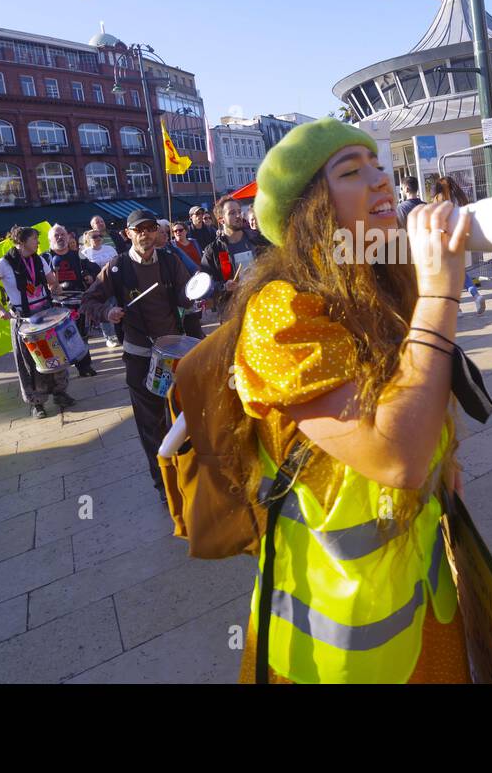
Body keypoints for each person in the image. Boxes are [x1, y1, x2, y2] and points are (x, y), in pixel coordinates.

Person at [195, 117, 473, 683]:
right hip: (336, 638)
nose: (381, 181)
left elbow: (417, 416)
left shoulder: (381, 284)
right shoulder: (282, 311)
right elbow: (396, 457)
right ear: (309, 210)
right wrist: (442, 292)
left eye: (378, 166)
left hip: (421, 594)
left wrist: (447, 458)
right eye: (351, 171)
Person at [80, 209, 195, 491]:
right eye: (138, 229)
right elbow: (89, 301)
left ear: (156, 231)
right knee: (150, 424)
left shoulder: (169, 261)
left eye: (150, 228)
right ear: (127, 234)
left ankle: (188, 474)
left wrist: (193, 294)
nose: (145, 234)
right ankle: (163, 483)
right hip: (140, 355)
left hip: (173, 354)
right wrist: (108, 312)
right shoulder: (117, 267)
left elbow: (183, 292)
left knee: (183, 419)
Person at [0, 226, 77, 419]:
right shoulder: (4, 264)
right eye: (34, 239)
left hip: (46, 313)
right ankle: (37, 403)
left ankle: (59, 392)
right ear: (22, 241)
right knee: (30, 361)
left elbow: (52, 282)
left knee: (58, 353)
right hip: (23, 318)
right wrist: (0, 310)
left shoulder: (39, 259)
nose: (38, 242)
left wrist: (56, 287)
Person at [43, 224, 98, 377]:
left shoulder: (77, 255)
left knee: (81, 336)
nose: (60, 237)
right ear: (50, 240)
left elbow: (92, 268)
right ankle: (62, 373)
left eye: (62, 234)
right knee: (60, 339)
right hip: (57, 305)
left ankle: (85, 366)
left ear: (68, 237)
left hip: (78, 301)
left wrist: (89, 276)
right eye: (56, 235)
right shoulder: (45, 258)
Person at [429, 176, 484, 314]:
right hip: (462, 238)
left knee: (448, 274)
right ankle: (475, 295)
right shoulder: (461, 198)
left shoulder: (440, 198)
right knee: (459, 270)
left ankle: (457, 307)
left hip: (445, 239)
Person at [199, 197, 260, 315]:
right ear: (221, 220)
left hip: (260, 304)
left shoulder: (257, 240)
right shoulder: (213, 250)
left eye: (239, 211)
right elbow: (206, 283)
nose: (238, 215)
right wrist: (223, 286)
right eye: (232, 213)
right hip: (232, 311)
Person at [80, 229, 121, 347]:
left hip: (114, 282)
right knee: (104, 308)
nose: (98, 238)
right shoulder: (85, 253)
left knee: (116, 306)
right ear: (88, 239)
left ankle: (118, 332)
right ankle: (109, 336)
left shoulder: (110, 249)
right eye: (94, 237)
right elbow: (83, 269)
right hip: (98, 285)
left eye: (99, 236)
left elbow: (118, 262)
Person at [166, 222, 206, 339]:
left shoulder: (192, 242)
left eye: (180, 230)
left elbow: (198, 257)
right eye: (175, 231)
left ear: (186, 230)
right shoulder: (173, 246)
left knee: (195, 311)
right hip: (182, 283)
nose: (178, 232)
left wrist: (200, 271)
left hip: (195, 278)